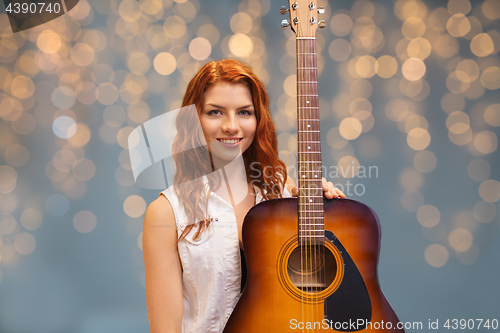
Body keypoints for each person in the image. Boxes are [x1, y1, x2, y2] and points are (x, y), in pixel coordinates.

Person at [143, 59, 346, 333]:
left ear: (258, 119)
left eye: (244, 113)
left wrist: (334, 215)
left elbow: (316, 297)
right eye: (215, 112)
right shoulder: (166, 213)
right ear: (194, 120)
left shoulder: (282, 193)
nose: (231, 126)